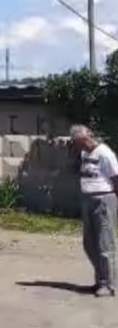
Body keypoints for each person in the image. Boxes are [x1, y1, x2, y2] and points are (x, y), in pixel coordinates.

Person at [72, 124, 118, 297]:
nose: (81, 146)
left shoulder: (105, 153)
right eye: (77, 143)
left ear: (90, 136)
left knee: (105, 243)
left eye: (83, 141)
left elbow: (116, 178)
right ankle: (100, 280)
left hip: (104, 199)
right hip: (87, 199)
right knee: (89, 243)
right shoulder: (84, 153)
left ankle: (108, 284)